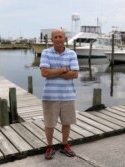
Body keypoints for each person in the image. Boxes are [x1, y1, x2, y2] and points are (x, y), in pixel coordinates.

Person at [39, 29, 79, 160]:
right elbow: (44, 73)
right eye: (55, 37)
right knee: (49, 124)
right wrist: (63, 69)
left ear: (65, 39)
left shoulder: (72, 53)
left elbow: (74, 74)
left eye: (60, 37)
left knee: (67, 123)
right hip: (50, 96)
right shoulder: (46, 52)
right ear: (52, 40)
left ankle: (64, 145)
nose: (58, 39)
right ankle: (50, 146)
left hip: (68, 96)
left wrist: (53, 72)